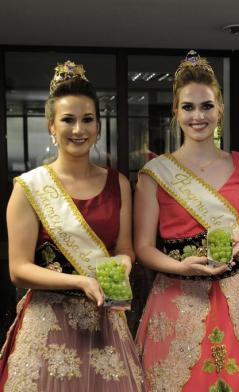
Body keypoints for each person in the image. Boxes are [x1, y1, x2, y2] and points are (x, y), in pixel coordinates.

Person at [134, 50, 239, 392]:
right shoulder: (155, 174)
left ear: (220, 110)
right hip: (176, 292)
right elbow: (143, 247)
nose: (197, 115)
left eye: (206, 106)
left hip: (234, 293)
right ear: (176, 112)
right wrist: (182, 267)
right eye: (188, 107)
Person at [0, 61, 144, 391]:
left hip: (105, 320)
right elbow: (18, 268)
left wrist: (123, 263)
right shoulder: (29, 187)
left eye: (87, 119)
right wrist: (80, 281)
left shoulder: (118, 183)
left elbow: (124, 248)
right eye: (68, 120)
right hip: (49, 323)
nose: (78, 129)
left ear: (98, 126)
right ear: (52, 126)